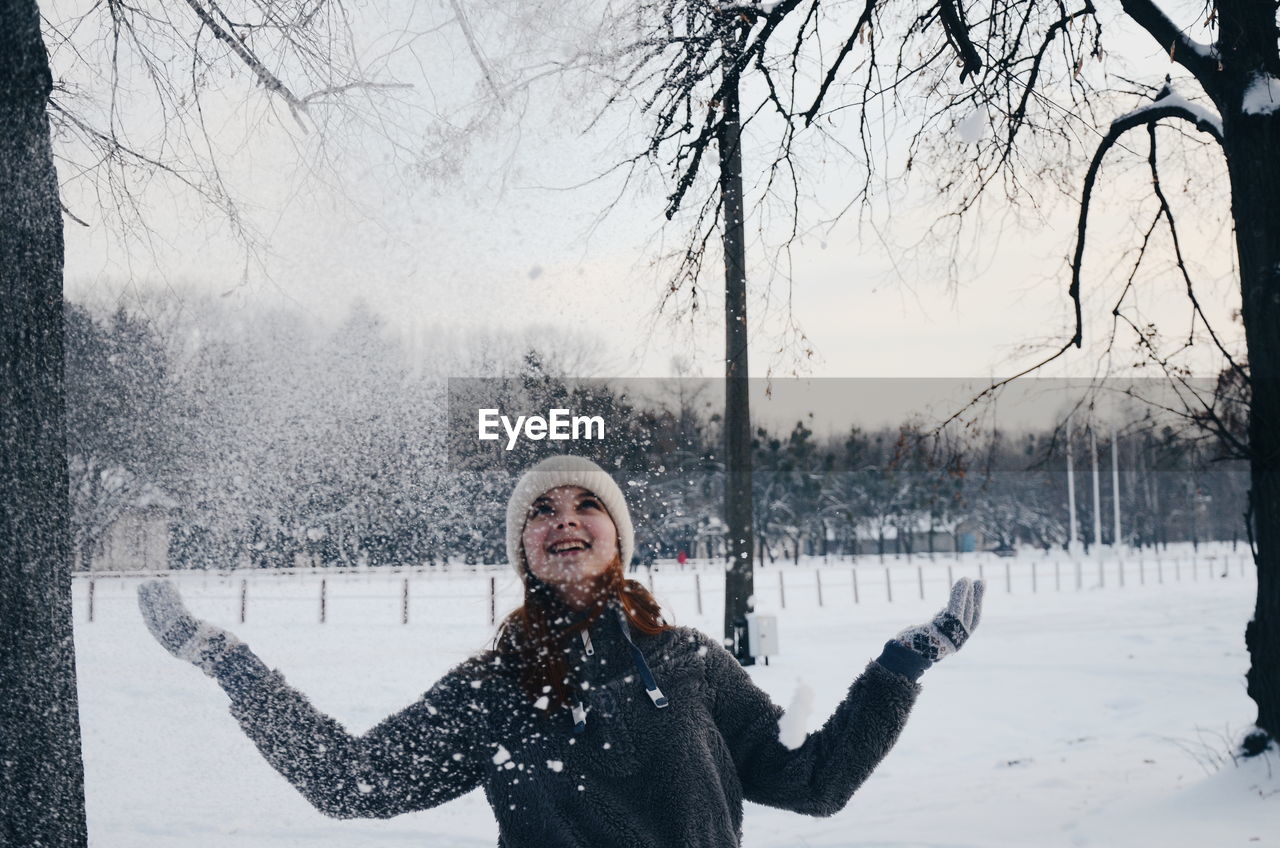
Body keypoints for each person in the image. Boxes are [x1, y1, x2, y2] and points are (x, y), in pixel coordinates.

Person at [138, 454, 985, 847]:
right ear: (525, 548)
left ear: (618, 536)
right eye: (543, 510)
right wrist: (228, 662)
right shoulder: (491, 689)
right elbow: (350, 782)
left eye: (587, 504)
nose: (565, 518)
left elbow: (814, 784)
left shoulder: (691, 665)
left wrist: (900, 669)